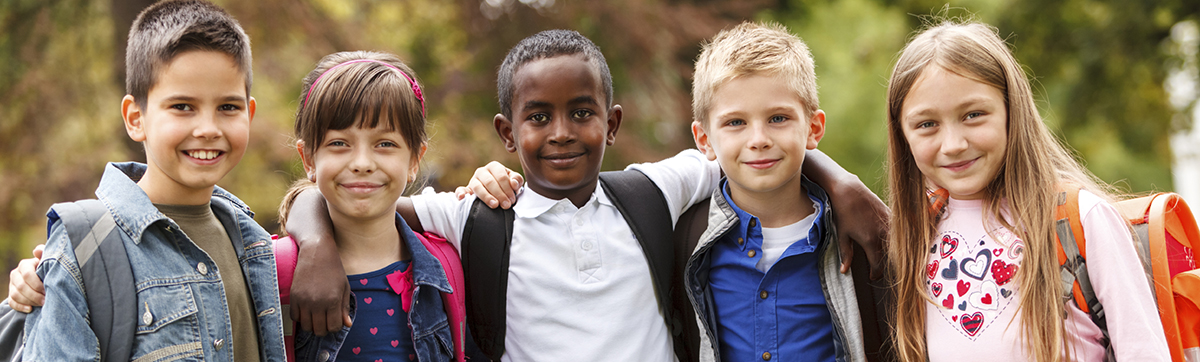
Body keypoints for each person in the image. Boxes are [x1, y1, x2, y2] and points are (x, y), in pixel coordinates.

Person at [286, 29, 887, 362]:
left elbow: (754, 150)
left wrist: (841, 182)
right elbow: (361, 198)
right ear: (506, 132)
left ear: (614, 123)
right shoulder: (478, 216)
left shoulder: (654, 190)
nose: (562, 133)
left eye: (582, 113)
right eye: (538, 117)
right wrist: (313, 243)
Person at [884, 21, 1169, 361]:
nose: (953, 144)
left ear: (1011, 112)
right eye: (927, 124)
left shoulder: (1080, 219)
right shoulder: (913, 234)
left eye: (974, 115)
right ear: (902, 135)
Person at [21, 0, 286, 360]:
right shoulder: (86, 249)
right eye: (182, 106)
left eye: (228, 107)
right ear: (135, 118)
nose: (208, 129)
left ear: (249, 113)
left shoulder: (254, 243)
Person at [682, 21, 869, 362]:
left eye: (778, 118)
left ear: (813, 128)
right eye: (735, 122)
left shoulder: (859, 237)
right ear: (704, 139)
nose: (759, 139)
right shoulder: (687, 241)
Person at [275, 50, 457, 361]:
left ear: (415, 159)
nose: (362, 163)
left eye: (385, 144)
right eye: (339, 143)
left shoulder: (449, 264)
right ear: (308, 159)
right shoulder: (276, 273)